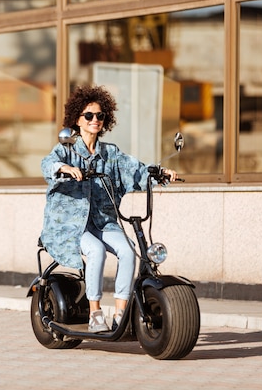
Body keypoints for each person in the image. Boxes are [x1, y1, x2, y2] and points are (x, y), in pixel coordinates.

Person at [40, 84, 177, 332]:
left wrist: (160, 173)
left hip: (104, 222)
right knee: (96, 251)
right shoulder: (66, 150)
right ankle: (95, 315)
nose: (95, 120)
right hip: (72, 225)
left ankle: (121, 313)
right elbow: (48, 163)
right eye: (89, 115)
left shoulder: (110, 154)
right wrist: (65, 169)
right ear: (77, 120)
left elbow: (136, 170)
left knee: (129, 250)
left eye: (100, 115)